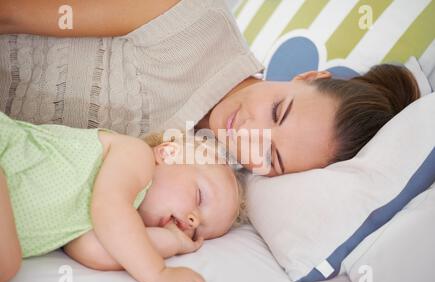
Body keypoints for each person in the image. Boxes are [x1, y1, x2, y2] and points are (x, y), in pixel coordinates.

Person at [0, 1, 421, 177]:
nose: (248, 133)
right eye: (278, 112)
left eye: (270, 157)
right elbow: (13, 13)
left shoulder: (206, 182)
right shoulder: (193, 18)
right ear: (309, 77)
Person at [0, 111, 243, 282]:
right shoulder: (135, 155)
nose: (193, 221)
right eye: (199, 197)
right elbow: (110, 206)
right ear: (169, 153)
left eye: (199, 230)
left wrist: (173, 241)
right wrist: (158, 274)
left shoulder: (112, 228)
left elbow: (97, 252)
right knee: (6, 263)